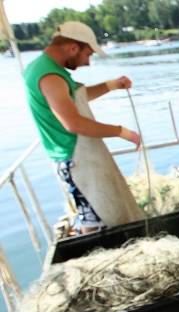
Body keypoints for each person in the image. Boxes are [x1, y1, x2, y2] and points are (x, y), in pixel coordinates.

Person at [24, 21, 143, 233]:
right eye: (88, 54)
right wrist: (122, 132)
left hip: (75, 153)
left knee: (97, 215)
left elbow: (77, 97)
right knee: (94, 220)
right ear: (73, 48)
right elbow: (73, 123)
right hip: (75, 157)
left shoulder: (44, 68)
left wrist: (112, 84)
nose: (88, 62)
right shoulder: (50, 77)